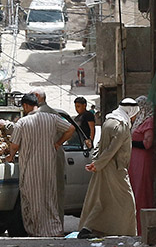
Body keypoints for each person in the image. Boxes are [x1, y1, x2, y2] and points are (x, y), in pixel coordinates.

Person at [9, 93, 75, 237]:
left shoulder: (22, 122)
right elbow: (71, 129)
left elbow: (14, 145)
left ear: (26, 106)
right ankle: (54, 229)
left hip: (30, 168)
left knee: (32, 199)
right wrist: (58, 143)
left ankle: (36, 230)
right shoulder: (52, 118)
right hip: (48, 167)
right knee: (49, 198)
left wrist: (11, 155)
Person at [77, 97, 139, 238]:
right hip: (115, 168)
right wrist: (97, 164)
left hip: (103, 166)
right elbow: (112, 150)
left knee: (102, 200)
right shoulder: (121, 125)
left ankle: (89, 228)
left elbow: (100, 144)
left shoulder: (108, 121)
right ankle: (127, 233)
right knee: (127, 202)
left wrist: (96, 162)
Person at [32, 89, 67, 224]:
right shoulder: (51, 113)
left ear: (37, 97)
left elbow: (70, 129)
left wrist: (58, 143)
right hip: (49, 155)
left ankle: (52, 225)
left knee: (52, 192)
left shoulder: (44, 114)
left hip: (51, 156)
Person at [128, 96, 155, 235]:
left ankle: (143, 227)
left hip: (143, 161)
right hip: (135, 161)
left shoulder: (149, 121)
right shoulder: (140, 121)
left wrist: (129, 142)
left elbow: (147, 144)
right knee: (135, 192)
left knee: (142, 192)